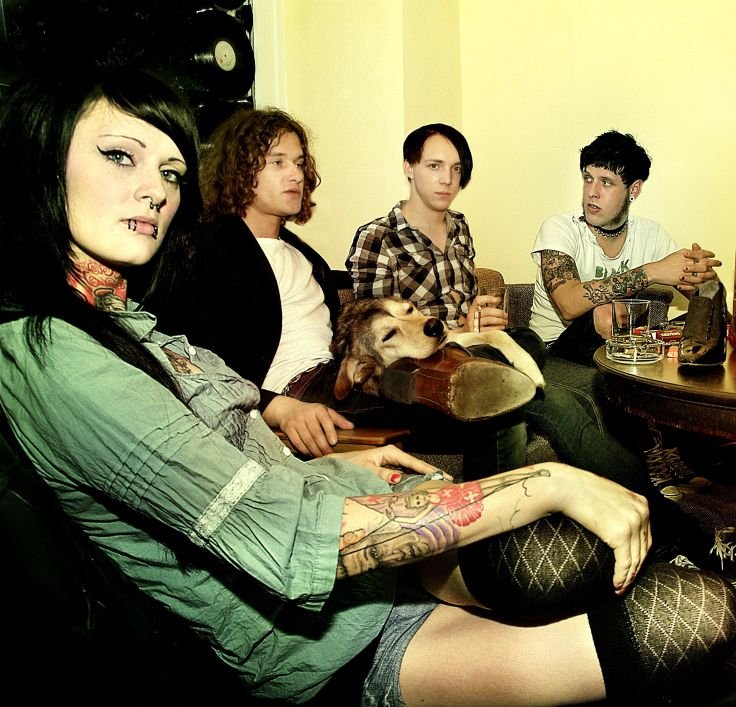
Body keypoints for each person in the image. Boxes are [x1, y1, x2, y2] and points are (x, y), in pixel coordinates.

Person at [0, 68, 736, 704]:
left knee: (598, 529)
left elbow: (237, 445)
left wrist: (334, 462)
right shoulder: (54, 353)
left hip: (371, 543)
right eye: (118, 156)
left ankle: (653, 522)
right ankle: (654, 519)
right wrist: (544, 483)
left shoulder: (131, 321)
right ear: (40, 161)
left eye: (169, 172)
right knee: (694, 608)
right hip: (319, 631)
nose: (155, 192)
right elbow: (282, 536)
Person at [345, 123, 715, 547]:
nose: (447, 179)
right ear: (409, 168)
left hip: (478, 353)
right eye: (434, 166)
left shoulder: (459, 228)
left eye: (456, 168)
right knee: (559, 402)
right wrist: (457, 331)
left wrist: (476, 320)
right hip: (429, 376)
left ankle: (646, 500)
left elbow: (465, 308)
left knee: (591, 385)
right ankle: (674, 529)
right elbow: (376, 336)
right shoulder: (378, 238)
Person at [144, 108, 525, 475]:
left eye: (299, 163)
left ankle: (460, 377)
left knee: (497, 399)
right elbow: (183, 354)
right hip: (296, 390)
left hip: (343, 374)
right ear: (241, 169)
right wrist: (277, 408)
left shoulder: (305, 256)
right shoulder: (210, 245)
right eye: (277, 162)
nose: (295, 174)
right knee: (492, 402)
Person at [528, 130, 721, 366]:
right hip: (553, 351)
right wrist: (652, 271)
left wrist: (706, 278)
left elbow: (710, 305)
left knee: (691, 328)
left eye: (606, 182)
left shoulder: (650, 234)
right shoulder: (559, 227)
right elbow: (568, 304)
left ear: (634, 189)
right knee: (605, 313)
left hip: (620, 348)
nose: (592, 192)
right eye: (588, 178)